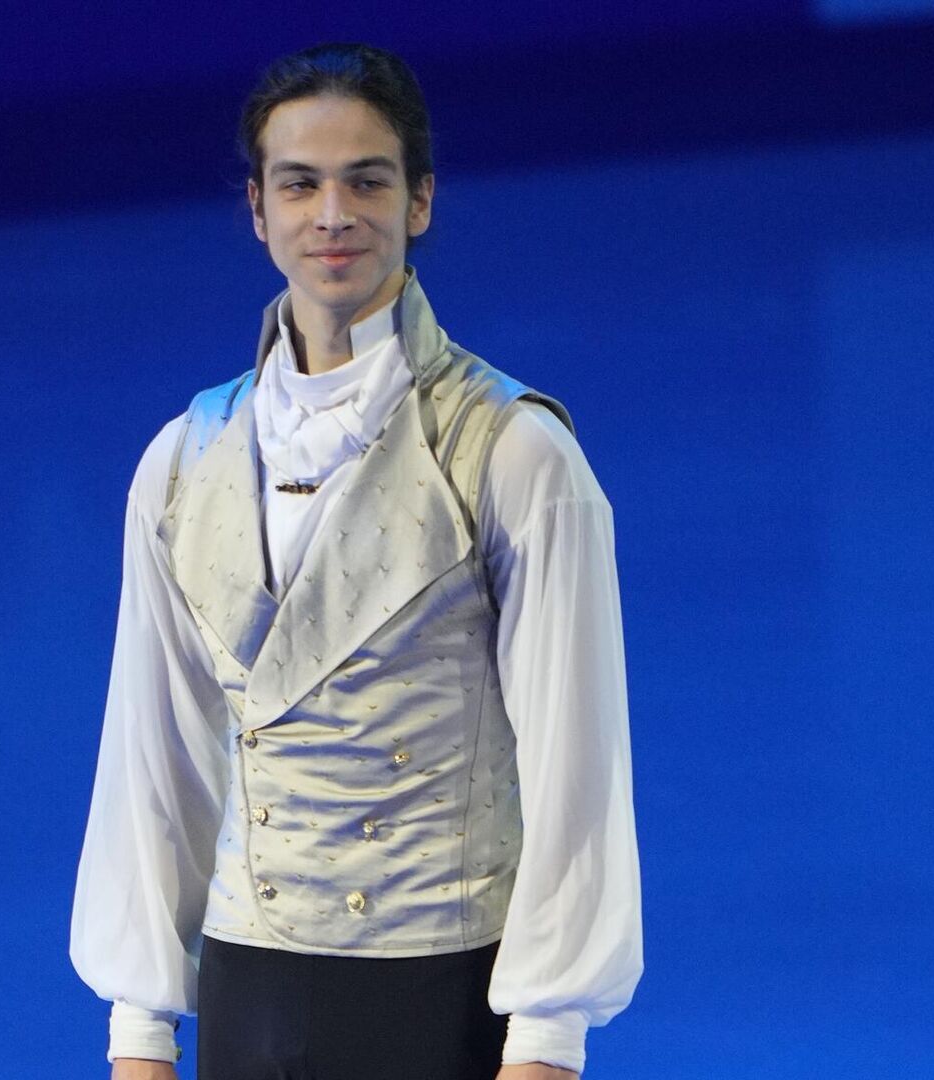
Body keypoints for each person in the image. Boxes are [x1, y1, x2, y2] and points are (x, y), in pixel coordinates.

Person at [69, 43, 641, 1080]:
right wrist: (140, 1030)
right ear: (258, 210)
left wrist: (549, 1039)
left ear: (420, 200)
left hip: (439, 988)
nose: (332, 215)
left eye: (366, 181)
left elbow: (577, 760)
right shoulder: (182, 460)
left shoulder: (513, 453)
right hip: (246, 987)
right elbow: (157, 751)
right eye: (300, 184)